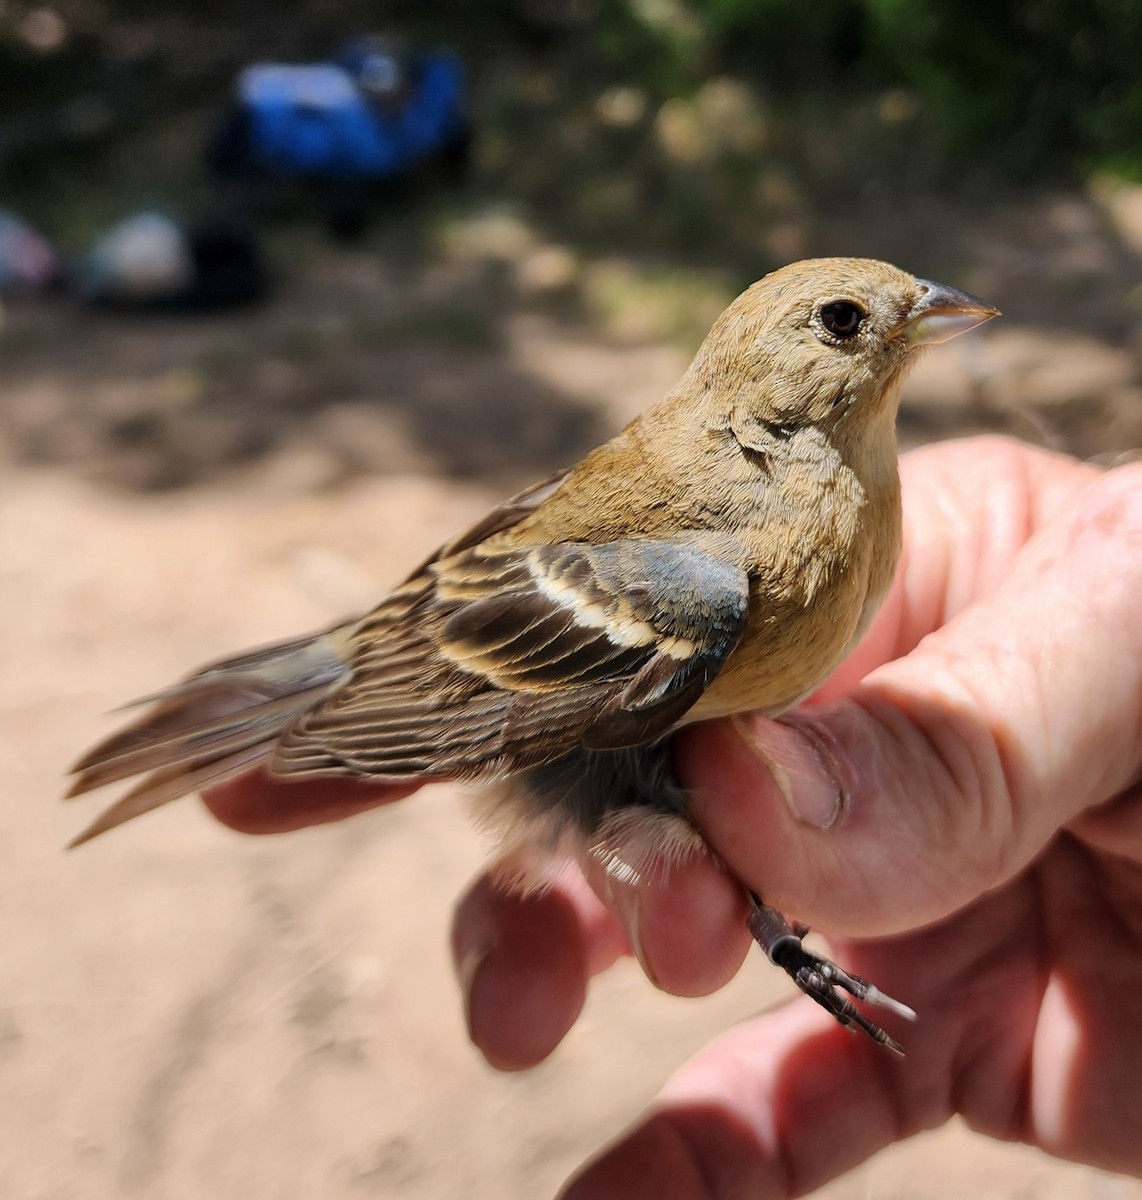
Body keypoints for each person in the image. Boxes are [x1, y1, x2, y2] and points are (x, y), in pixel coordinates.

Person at [203, 434, 1142, 1198]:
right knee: (672, 805)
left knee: (698, 832)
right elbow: (495, 677)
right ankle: (771, 922)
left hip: (585, 677)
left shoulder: (833, 527)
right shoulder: (706, 573)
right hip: (522, 694)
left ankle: (770, 919)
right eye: (848, 321)